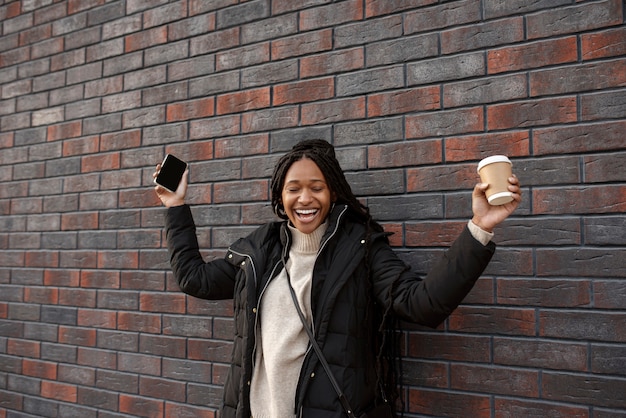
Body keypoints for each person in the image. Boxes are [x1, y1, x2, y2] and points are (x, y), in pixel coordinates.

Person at [153, 139, 521, 418]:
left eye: (317, 187)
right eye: (293, 188)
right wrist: (175, 207)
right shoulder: (259, 251)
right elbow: (195, 279)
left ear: (333, 192)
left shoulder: (359, 248)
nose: (305, 198)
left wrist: (479, 229)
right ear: (281, 196)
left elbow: (420, 303)